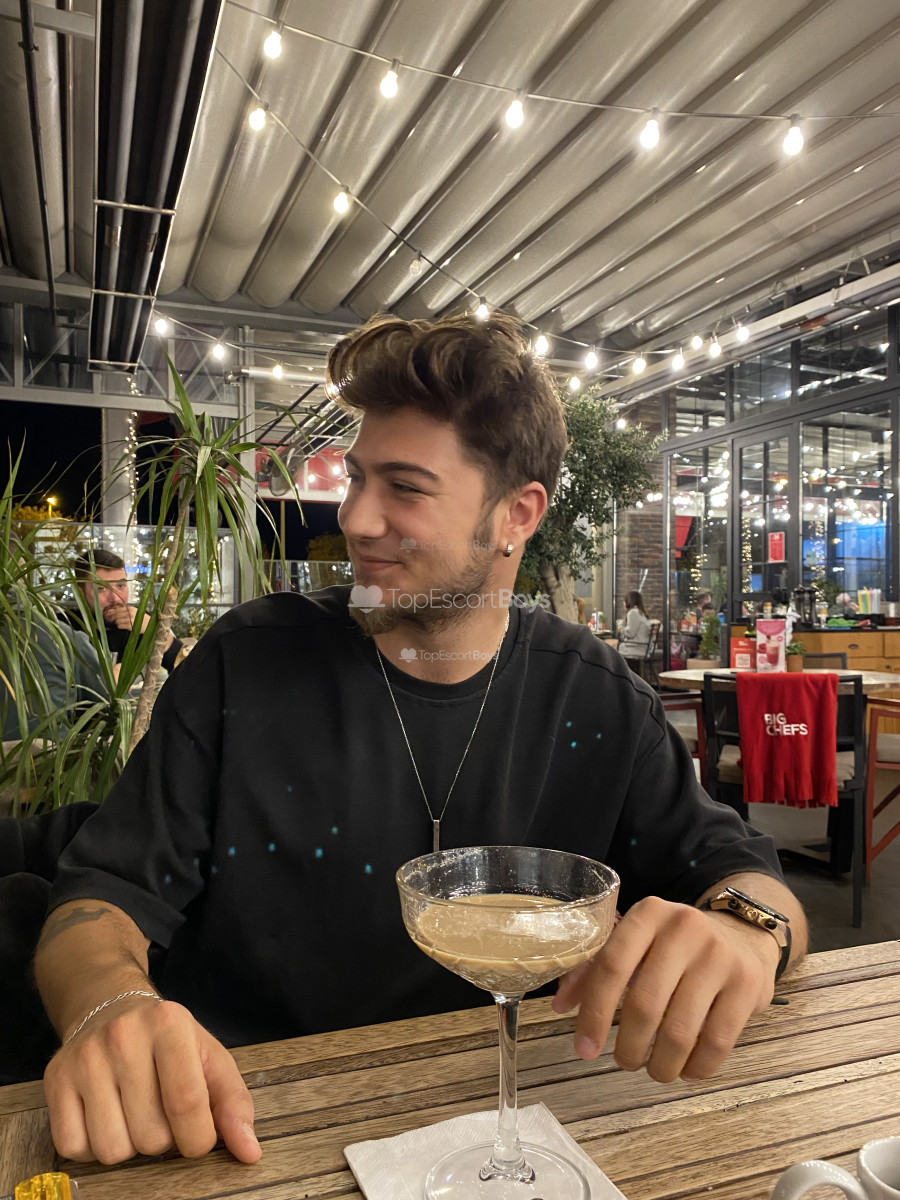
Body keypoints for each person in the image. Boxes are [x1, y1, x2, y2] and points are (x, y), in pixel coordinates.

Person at [34, 312, 807, 1167]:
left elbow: (742, 874)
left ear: (517, 514)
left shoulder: (594, 697)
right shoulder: (246, 665)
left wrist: (747, 936)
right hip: (246, 1130)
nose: (356, 518)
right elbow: (96, 899)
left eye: (404, 488)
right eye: (357, 478)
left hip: (520, 1135)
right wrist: (109, 1008)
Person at [64, 550, 183, 674]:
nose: (115, 598)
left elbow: (187, 672)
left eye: (121, 586)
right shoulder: (65, 627)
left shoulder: (139, 621)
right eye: (101, 588)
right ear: (80, 592)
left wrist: (156, 633)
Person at [616, 590, 652, 674]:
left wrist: (620, 627)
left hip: (636, 648)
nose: (623, 603)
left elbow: (630, 633)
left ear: (629, 601)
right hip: (642, 646)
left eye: (625, 600)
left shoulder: (633, 613)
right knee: (613, 645)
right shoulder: (641, 613)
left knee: (609, 645)